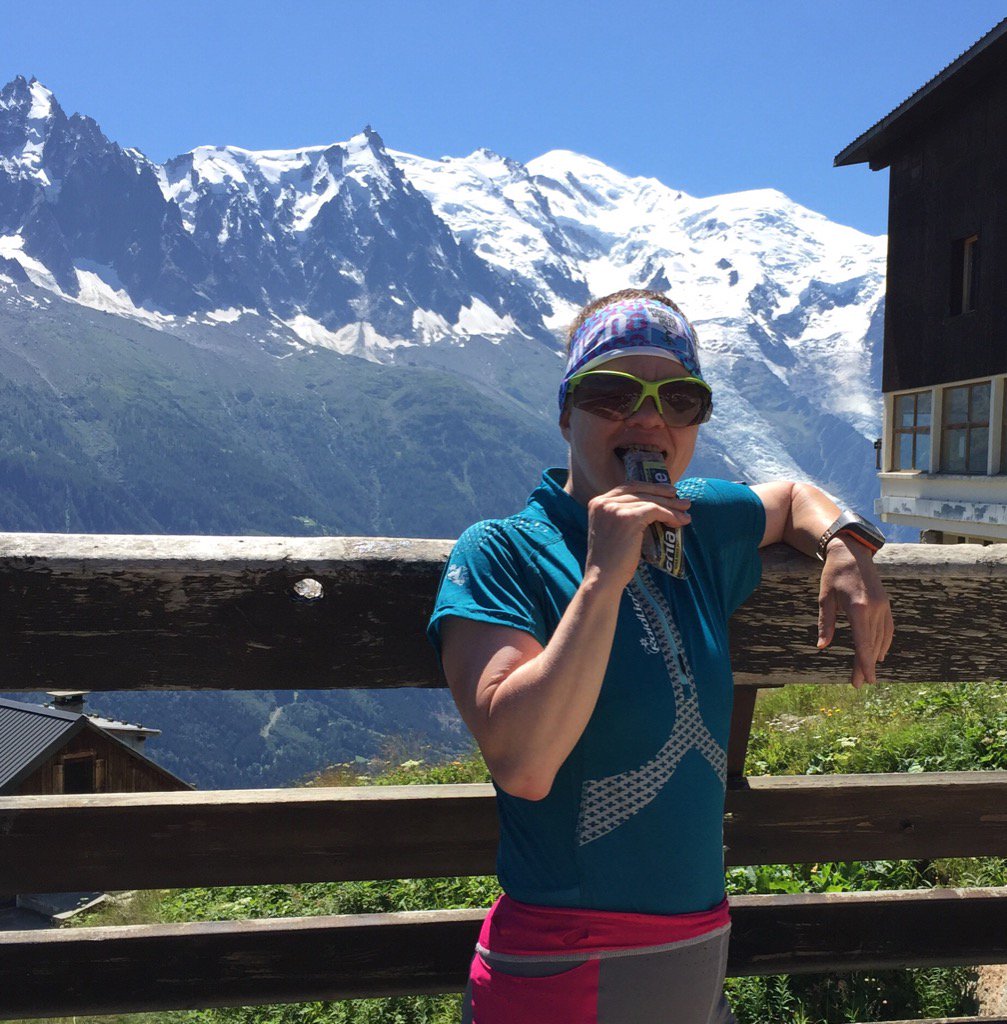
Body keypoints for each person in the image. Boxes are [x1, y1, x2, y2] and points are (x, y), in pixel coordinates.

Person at [428, 289, 894, 1024]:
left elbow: (790, 497)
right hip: (566, 964)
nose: (648, 419)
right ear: (565, 413)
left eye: (679, 399)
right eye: (613, 393)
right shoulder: (502, 549)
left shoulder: (696, 523)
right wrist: (601, 575)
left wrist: (846, 542)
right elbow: (522, 761)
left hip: (696, 951)